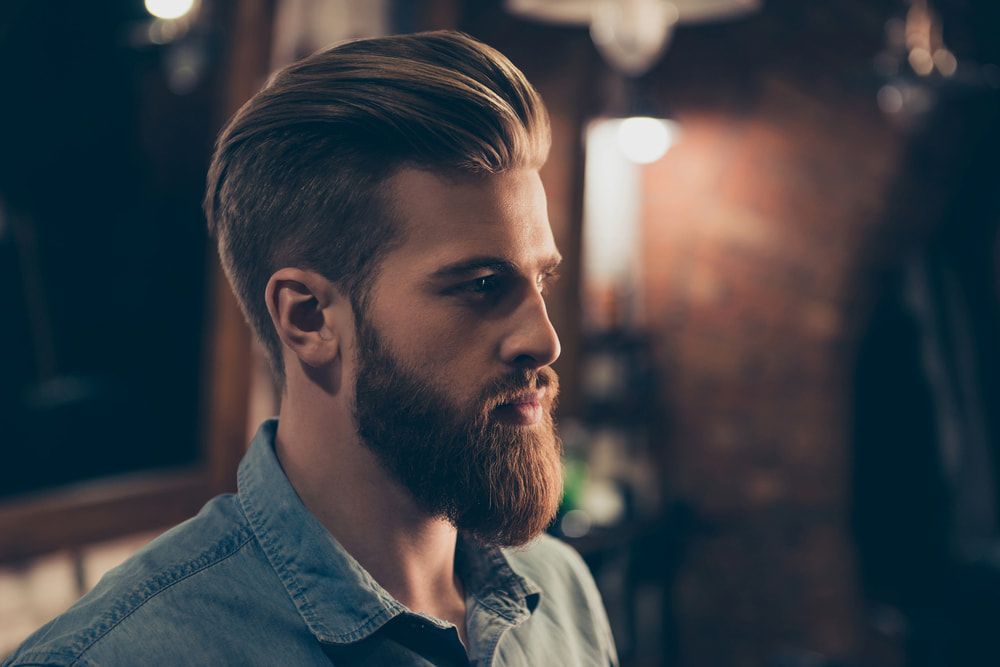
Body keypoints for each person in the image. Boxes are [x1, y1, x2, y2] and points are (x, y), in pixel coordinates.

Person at [5, 30, 617, 666]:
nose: (544, 340)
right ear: (309, 318)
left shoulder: (561, 592)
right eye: (483, 286)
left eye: (540, 279)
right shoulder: (122, 657)